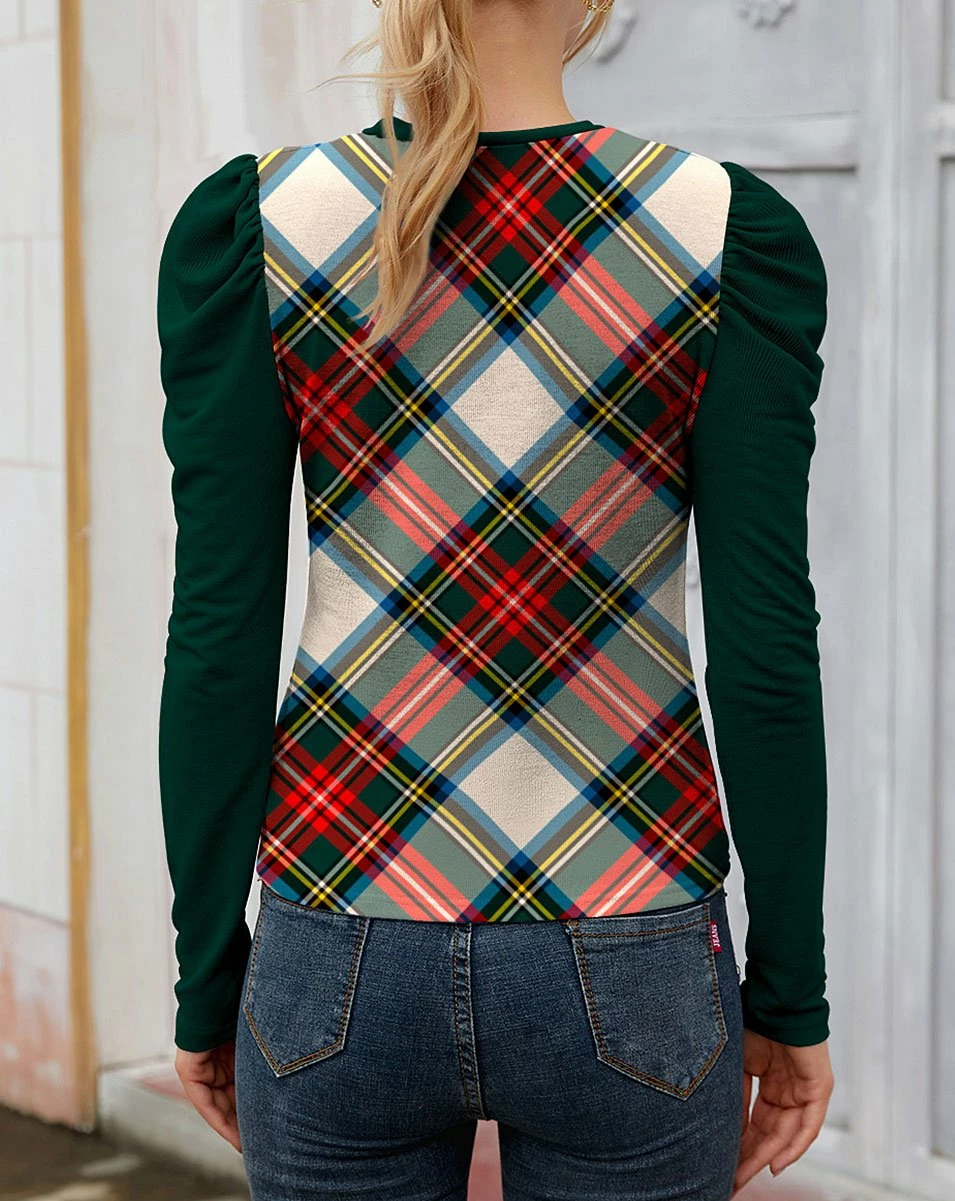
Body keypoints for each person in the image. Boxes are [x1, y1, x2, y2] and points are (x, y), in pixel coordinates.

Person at [156, 0, 835, 1196]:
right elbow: (766, 649)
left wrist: (209, 976)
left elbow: (218, 637)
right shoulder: (720, 230)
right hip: (630, 933)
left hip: (340, 925)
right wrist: (790, 993)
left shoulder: (261, 226)